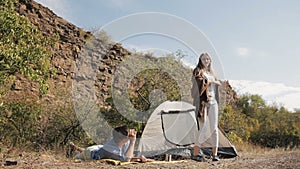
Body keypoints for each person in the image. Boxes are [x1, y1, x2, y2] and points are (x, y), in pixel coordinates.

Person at [191, 53, 221, 162]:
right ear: (200, 60)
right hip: (203, 102)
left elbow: (217, 85)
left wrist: (215, 82)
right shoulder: (197, 71)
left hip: (213, 102)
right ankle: (195, 153)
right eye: (204, 59)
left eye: (208, 58)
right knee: (202, 128)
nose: (206, 60)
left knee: (214, 128)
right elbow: (198, 83)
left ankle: (215, 154)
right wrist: (210, 82)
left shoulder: (211, 73)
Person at [67, 125, 151, 162]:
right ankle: (74, 148)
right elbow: (126, 160)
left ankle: (75, 147)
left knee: (95, 148)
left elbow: (127, 156)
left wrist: (139, 157)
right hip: (90, 154)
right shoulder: (111, 151)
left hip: (101, 149)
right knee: (77, 157)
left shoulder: (123, 141)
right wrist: (133, 142)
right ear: (125, 138)